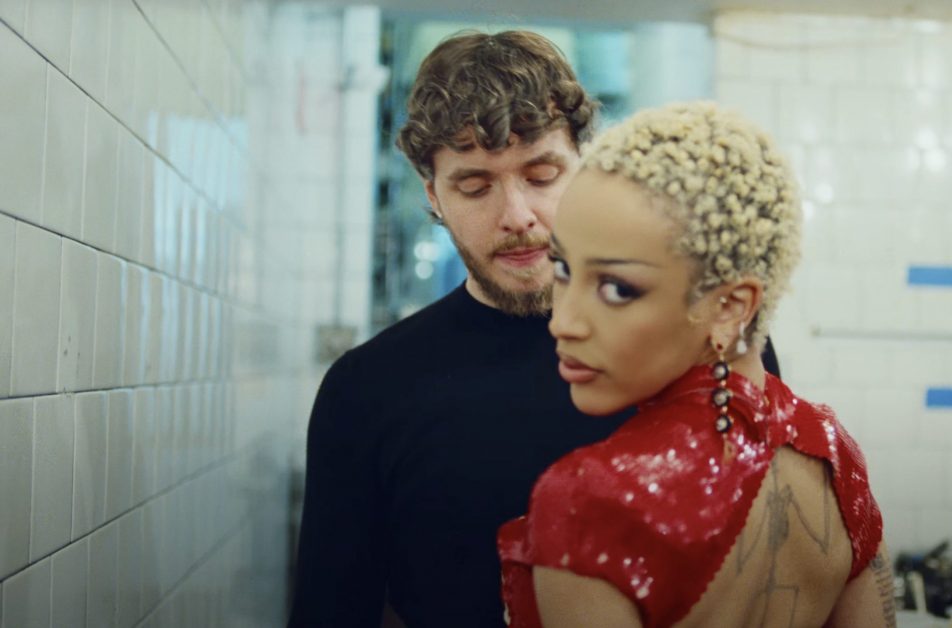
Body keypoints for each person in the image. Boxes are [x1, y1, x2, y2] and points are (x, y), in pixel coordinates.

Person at [288, 31, 782, 627]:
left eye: (542, 176)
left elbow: (777, 563)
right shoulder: (367, 389)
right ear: (434, 196)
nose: (516, 215)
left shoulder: (703, 340)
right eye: (475, 186)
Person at [498, 102, 893, 627]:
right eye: (564, 268)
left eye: (617, 288)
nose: (563, 321)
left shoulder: (590, 501)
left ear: (729, 307)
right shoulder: (832, 452)